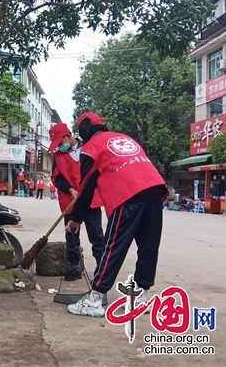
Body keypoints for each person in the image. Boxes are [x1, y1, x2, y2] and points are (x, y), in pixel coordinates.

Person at [66, 112, 167, 317]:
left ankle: (94, 299)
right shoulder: (125, 138)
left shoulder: (91, 148)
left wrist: (76, 218)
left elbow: (85, 187)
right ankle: (140, 297)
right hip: (155, 190)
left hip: (128, 195)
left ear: (83, 131)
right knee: (149, 247)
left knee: (113, 247)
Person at [49, 123, 104, 282]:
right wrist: (69, 188)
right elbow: (56, 179)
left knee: (97, 236)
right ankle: (74, 268)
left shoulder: (89, 148)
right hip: (70, 202)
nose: (59, 147)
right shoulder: (58, 157)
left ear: (67, 136)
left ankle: (101, 269)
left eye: (60, 142)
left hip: (91, 201)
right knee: (71, 237)